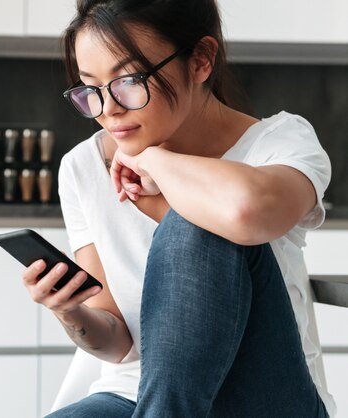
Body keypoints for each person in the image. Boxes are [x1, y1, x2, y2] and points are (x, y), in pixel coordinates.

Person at [20, 0, 337, 417]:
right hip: (133, 394)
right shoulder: (82, 167)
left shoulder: (281, 142)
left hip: (263, 397)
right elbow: (117, 343)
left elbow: (244, 211)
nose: (109, 109)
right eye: (91, 89)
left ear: (201, 60)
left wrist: (152, 159)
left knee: (197, 221)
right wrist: (69, 311)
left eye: (129, 80)